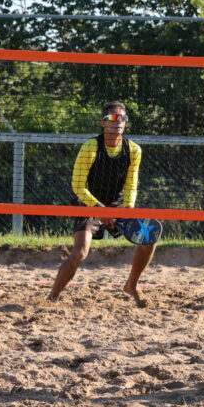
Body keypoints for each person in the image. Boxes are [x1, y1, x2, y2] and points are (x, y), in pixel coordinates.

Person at [48, 101, 156, 307]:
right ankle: (52, 297)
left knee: (150, 240)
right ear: (103, 123)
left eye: (122, 118)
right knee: (80, 253)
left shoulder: (133, 150)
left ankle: (131, 285)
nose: (118, 122)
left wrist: (127, 209)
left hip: (117, 205)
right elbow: (78, 186)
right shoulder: (91, 147)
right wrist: (100, 210)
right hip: (89, 204)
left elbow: (131, 185)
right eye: (113, 118)